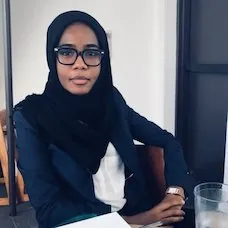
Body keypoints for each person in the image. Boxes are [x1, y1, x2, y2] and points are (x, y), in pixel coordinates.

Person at [14, 11, 195, 228]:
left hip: (143, 212)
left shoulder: (111, 101)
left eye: (90, 53)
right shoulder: (31, 116)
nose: (79, 64)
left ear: (103, 59)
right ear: (53, 59)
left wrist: (175, 191)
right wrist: (139, 220)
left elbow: (166, 140)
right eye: (66, 52)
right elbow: (49, 209)